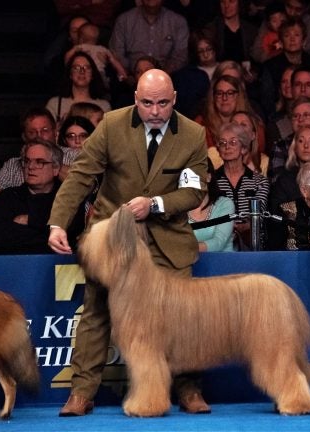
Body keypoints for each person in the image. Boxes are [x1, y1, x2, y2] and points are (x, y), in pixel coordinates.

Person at [47, 69, 211, 416]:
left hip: (167, 239)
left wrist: (155, 204)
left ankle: (188, 388)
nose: (154, 111)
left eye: (163, 103)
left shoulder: (194, 134)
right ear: (135, 99)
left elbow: (194, 191)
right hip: (113, 240)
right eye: (147, 103)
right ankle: (81, 392)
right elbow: (81, 175)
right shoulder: (111, 124)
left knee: (183, 318)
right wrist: (58, 222)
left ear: (175, 99)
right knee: (96, 312)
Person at [0, 139, 84, 254]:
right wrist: (49, 230)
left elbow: (72, 232)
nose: (31, 166)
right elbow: (3, 239)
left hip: (59, 265)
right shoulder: (7, 197)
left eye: (40, 162)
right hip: (16, 264)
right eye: (27, 161)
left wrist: (31, 219)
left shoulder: (70, 199)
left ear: (55, 169)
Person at [212, 122, 270, 251]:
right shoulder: (211, 182)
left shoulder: (259, 182)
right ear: (218, 149)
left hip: (250, 244)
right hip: (218, 244)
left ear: (243, 148)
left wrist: (242, 228)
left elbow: (258, 217)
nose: (227, 147)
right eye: (222, 143)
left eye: (233, 142)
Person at [0, 108, 58, 207]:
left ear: (55, 132)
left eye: (44, 130)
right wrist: (25, 210)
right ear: (24, 137)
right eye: (32, 132)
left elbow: (82, 190)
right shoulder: (13, 164)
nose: (39, 136)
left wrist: (53, 161)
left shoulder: (73, 156)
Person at [109, 0, 189, 74]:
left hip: (167, 78)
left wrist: (162, 75)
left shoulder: (178, 22)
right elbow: (116, 53)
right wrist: (133, 74)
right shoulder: (124, 20)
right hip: (130, 79)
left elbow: (181, 56)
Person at [46, 52, 111, 123]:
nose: (82, 71)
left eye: (87, 67)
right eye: (76, 67)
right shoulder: (55, 104)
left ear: (92, 74)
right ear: (70, 74)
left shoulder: (104, 106)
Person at [189, 158, 235, 252]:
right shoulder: (179, 207)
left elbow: (219, 242)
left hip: (222, 263)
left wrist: (184, 250)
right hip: (188, 265)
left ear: (209, 177)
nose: (191, 179)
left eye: (196, 174)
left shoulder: (225, 204)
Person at [64, 22, 129, 87]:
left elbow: (68, 56)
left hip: (85, 73)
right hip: (100, 74)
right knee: (102, 88)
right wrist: (123, 74)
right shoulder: (103, 49)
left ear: (81, 39)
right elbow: (115, 62)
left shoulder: (80, 47)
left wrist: (68, 65)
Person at [56, 115, 95, 180]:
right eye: (71, 136)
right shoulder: (59, 154)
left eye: (83, 136)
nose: (77, 141)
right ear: (64, 140)